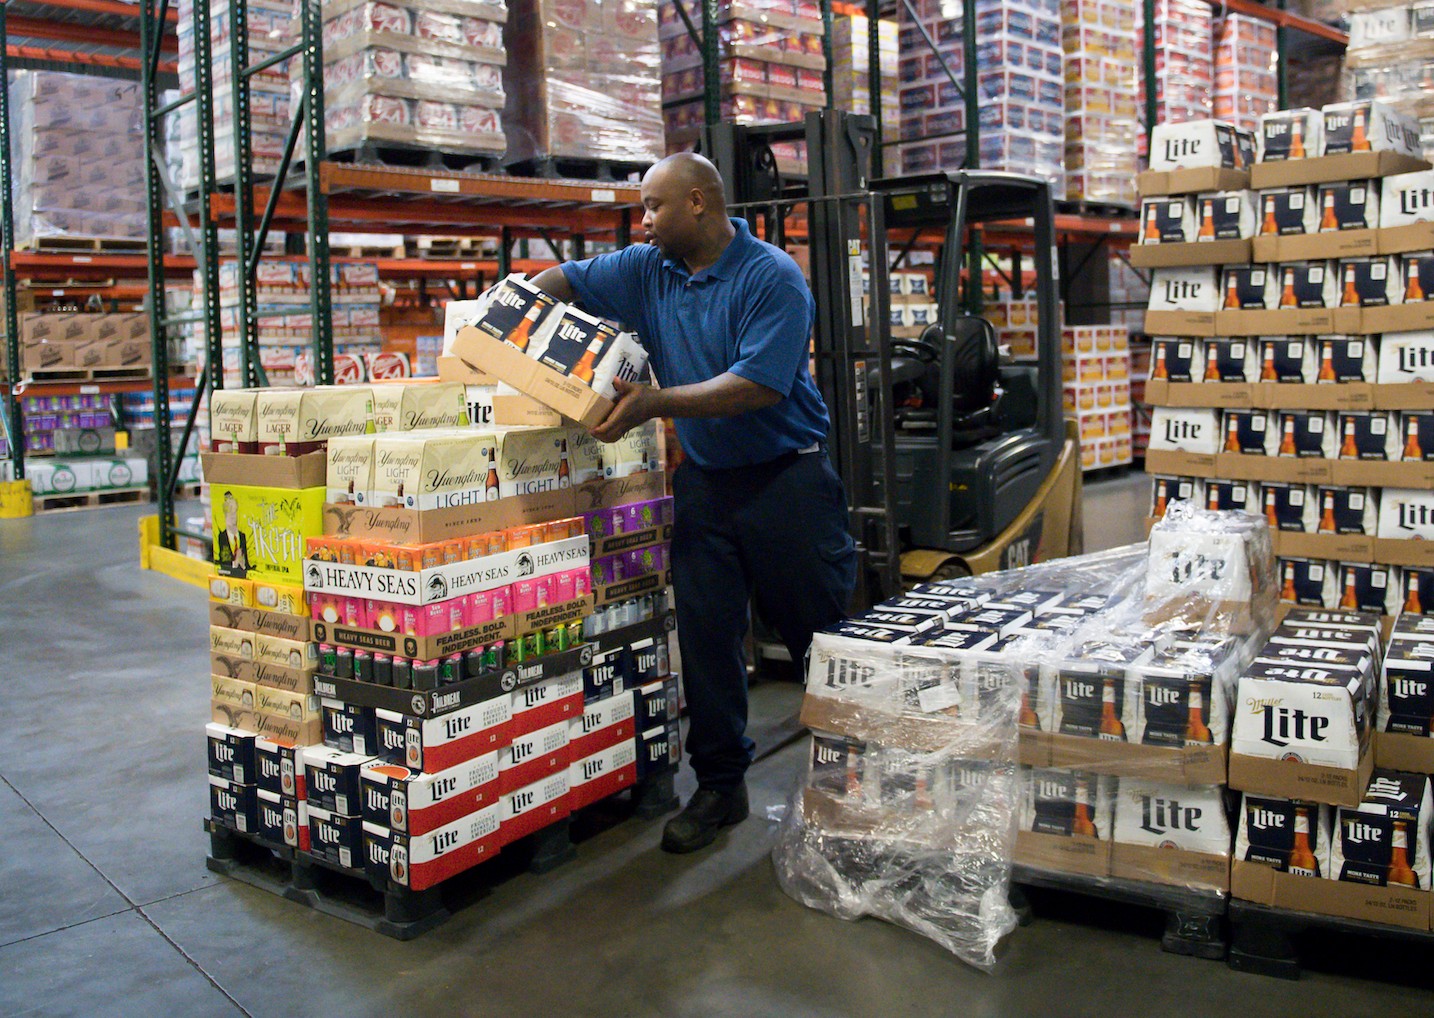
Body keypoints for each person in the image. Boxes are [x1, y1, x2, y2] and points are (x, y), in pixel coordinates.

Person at [530, 152, 857, 854]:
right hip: (708, 483)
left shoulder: (773, 277)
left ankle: (851, 784)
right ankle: (719, 786)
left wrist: (651, 403)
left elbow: (756, 385)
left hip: (786, 482)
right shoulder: (650, 267)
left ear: (701, 203)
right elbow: (564, 280)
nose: (643, 221)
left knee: (819, 637)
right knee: (706, 638)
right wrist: (511, 319)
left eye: (654, 206)